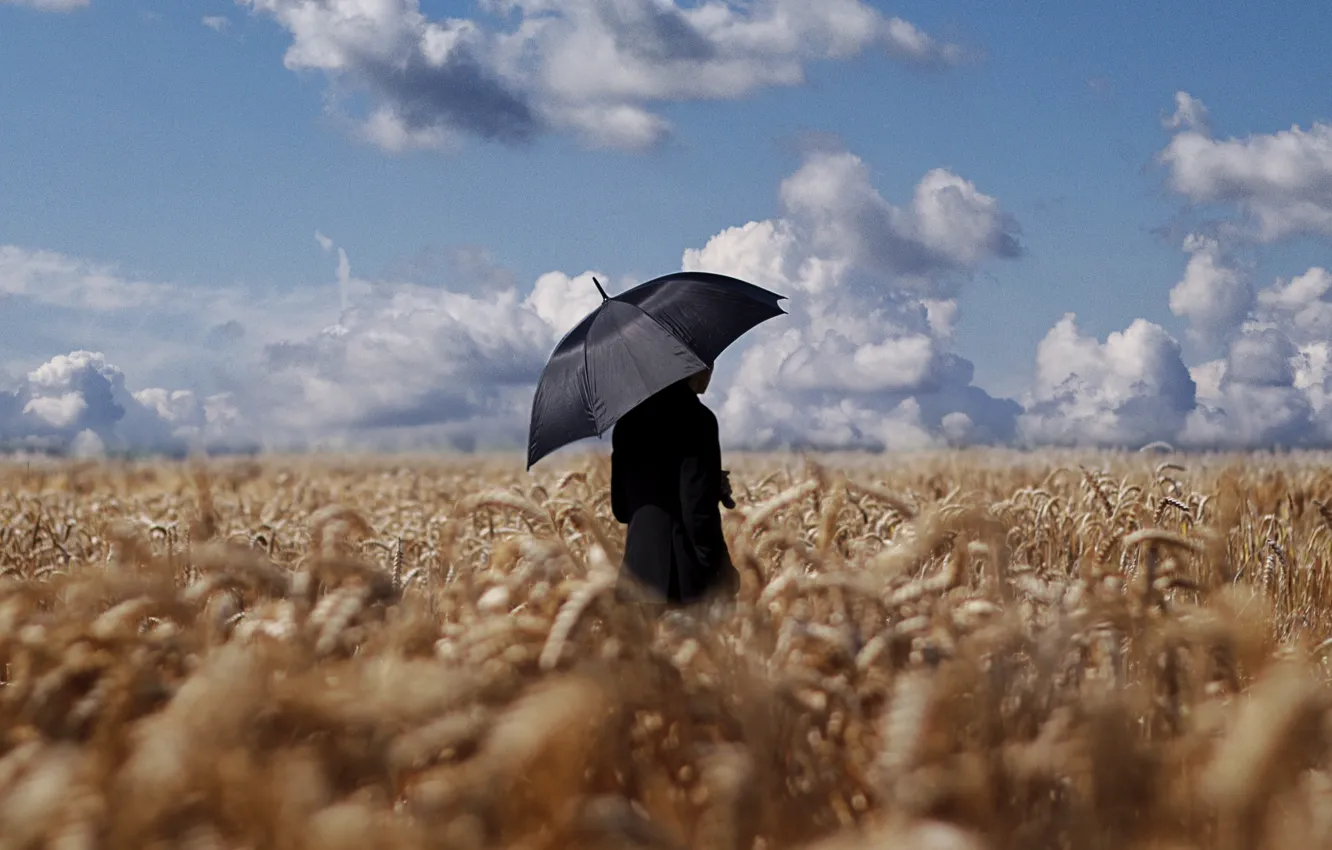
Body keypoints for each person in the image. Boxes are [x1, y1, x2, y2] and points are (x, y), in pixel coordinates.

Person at [610, 367, 739, 607]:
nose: (710, 370)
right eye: (707, 364)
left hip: (634, 579)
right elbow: (698, 514)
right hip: (682, 580)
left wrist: (709, 481)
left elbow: (621, 510)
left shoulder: (626, 422)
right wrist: (719, 573)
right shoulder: (699, 419)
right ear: (689, 367)